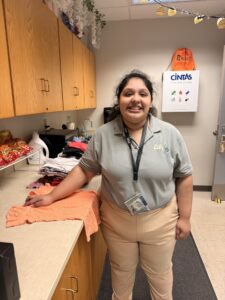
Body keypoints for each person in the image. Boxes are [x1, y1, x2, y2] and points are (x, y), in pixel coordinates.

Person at [25, 70, 193, 300]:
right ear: (119, 100)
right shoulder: (103, 135)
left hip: (160, 221)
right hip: (117, 221)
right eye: (128, 93)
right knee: (121, 274)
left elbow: (184, 176)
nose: (135, 99)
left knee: (160, 276)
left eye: (142, 93)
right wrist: (52, 196)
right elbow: (84, 170)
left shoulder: (170, 134)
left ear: (151, 100)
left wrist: (185, 217)